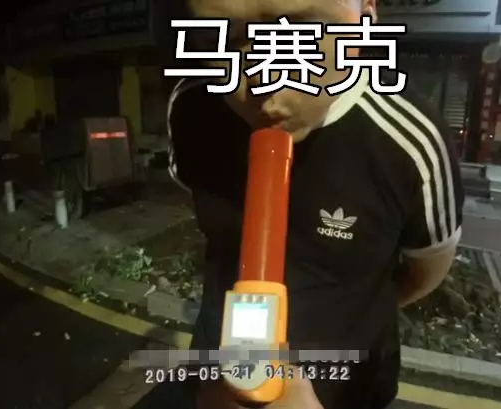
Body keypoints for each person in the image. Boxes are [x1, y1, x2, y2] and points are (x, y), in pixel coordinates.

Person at [141, 0, 464, 408]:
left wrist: (350, 318)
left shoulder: (412, 141)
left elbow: (423, 272)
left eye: (303, 35)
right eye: (225, 38)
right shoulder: (192, 107)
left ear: (365, 15)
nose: (266, 88)